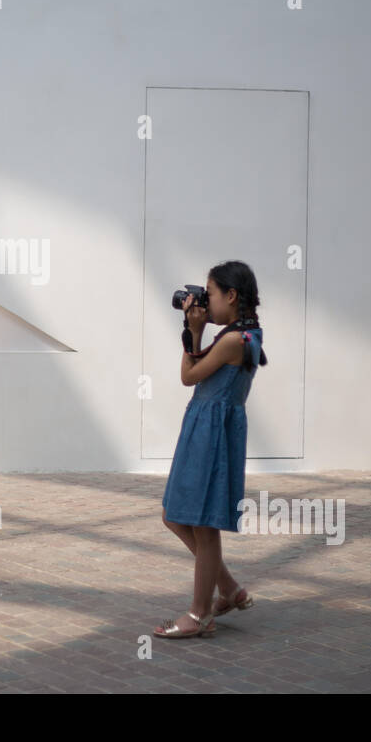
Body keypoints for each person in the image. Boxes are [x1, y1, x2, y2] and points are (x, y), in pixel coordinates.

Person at [154, 260, 268, 638]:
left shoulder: (235, 340)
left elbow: (188, 376)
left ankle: (200, 614)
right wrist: (198, 329)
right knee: (176, 514)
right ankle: (230, 589)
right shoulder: (246, 334)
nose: (204, 300)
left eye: (211, 293)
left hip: (210, 432)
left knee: (202, 525)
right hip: (208, 426)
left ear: (232, 296)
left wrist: (193, 329)